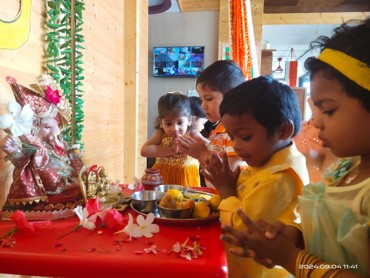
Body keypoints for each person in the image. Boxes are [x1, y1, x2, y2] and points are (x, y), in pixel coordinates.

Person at [220, 17, 370, 277]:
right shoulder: (348, 169)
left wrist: (291, 257)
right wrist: (295, 237)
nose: (317, 122)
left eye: (329, 110)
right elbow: (336, 237)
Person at [203, 76, 310, 277]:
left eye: (245, 137)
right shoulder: (265, 161)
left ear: (284, 130)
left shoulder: (281, 178)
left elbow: (241, 230)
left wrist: (226, 189)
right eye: (232, 137)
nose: (236, 145)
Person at [1, 75, 86, 214]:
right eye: (47, 127)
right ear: (34, 127)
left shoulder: (54, 143)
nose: (56, 131)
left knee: (82, 186)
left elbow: (76, 169)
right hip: (50, 193)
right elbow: (27, 167)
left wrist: (66, 151)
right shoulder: (35, 146)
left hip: (65, 184)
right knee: (77, 190)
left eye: (57, 126)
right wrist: (36, 164)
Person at [177, 60, 245, 188]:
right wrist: (204, 145)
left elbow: (229, 174)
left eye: (209, 99)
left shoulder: (235, 131)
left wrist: (201, 154)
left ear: (232, 97)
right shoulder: (219, 128)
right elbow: (219, 152)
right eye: (201, 99)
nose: (203, 106)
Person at [140, 92, 200, 187]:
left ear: (189, 120)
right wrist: (171, 150)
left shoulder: (192, 134)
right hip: (163, 179)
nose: (174, 128)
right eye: (168, 124)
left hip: (186, 179)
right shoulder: (161, 133)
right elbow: (144, 151)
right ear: (161, 122)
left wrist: (189, 149)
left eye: (180, 122)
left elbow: (207, 150)